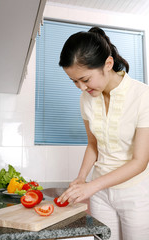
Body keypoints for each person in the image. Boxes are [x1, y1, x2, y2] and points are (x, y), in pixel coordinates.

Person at [58, 26, 149, 240]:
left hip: (134, 193)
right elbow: (93, 145)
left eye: (85, 79)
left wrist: (91, 187)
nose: (81, 87)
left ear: (108, 64)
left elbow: (140, 161)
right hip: (100, 195)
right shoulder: (86, 99)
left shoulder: (143, 96)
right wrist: (81, 179)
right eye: (74, 81)